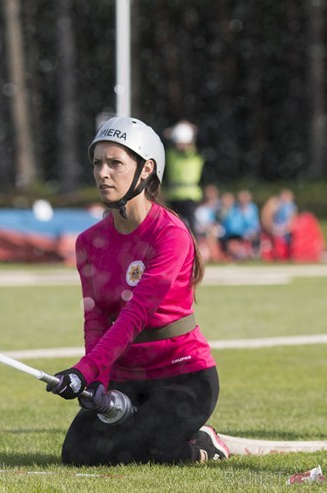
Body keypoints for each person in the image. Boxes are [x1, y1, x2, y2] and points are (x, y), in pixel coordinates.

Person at [46, 116, 229, 466]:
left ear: (146, 170)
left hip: (184, 375)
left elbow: (135, 314)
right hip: (126, 376)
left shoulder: (170, 234)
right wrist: (96, 382)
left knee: (135, 451)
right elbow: (96, 316)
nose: (103, 173)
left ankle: (203, 446)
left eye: (115, 163)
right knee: (77, 454)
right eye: (98, 163)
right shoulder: (88, 242)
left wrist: (83, 369)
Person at [163, 120, 204, 233]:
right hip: (173, 196)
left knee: (191, 229)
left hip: (190, 197)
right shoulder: (171, 153)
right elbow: (161, 141)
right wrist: (171, 132)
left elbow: (204, 140)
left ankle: (194, 249)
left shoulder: (195, 154)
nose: (180, 145)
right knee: (170, 227)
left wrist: (194, 131)